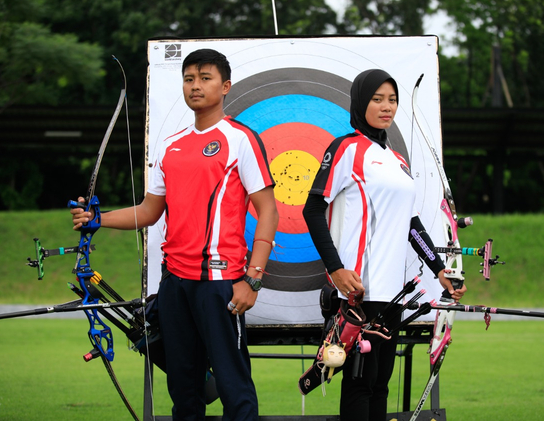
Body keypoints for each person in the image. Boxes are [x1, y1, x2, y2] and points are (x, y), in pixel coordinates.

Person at [71, 49, 279, 421]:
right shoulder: (171, 145)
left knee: (234, 385)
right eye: (189, 79)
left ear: (225, 86)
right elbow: (148, 212)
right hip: (175, 284)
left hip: (221, 283)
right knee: (184, 387)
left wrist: (253, 279)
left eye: (205, 77)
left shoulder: (240, 139)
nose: (195, 85)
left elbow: (268, 211)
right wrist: (97, 219)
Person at [302, 69, 466, 421]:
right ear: (361, 102)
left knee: (380, 384)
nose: (386, 106)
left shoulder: (396, 159)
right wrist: (336, 269)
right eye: (377, 99)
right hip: (359, 289)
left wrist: (439, 270)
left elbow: (411, 223)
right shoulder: (346, 148)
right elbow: (312, 208)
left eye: (391, 100)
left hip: (393, 293)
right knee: (360, 384)